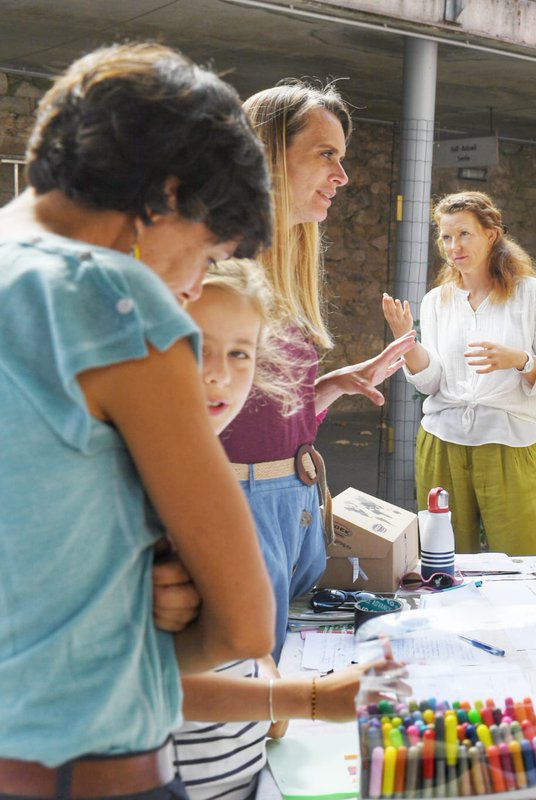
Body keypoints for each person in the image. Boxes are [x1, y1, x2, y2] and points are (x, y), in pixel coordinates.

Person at [0, 43, 275, 796]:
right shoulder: (111, 300)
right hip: (88, 766)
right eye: (206, 250)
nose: (191, 286)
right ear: (164, 195)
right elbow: (243, 622)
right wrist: (143, 626)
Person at [174, 259, 390, 800]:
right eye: (195, 347)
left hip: (247, 775)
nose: (219, 373)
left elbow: (232, 648)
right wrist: (304, 700)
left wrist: (267, 674)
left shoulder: (213, 497)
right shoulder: (142, 498)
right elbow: (134, 684)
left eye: (240, 353)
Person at [220, 82, 418, 660]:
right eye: (326, 154)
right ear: (265, 154)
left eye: (342, 158)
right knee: (253, 694)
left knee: (269, 686)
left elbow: (258, 409)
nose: (342, 176)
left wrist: (330, 385)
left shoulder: (286, 267)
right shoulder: (214, 271)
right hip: (245, 502)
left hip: (294, 498)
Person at [382, 192, 536, 555]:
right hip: (441, 442)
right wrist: (408, 344)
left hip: (507, 443)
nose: (454, 246)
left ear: (491, 235)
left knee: (520, 559)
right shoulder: (437, 300)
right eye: (447, 237)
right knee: (443, 559)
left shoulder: (530, 293)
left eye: (464, 234)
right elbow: (432, 381)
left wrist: (520, 360)